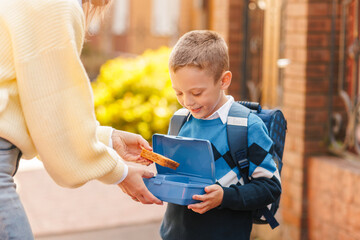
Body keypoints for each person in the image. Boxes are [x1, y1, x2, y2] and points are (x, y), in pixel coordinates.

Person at [0, 0, 162, 239]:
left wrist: (109, 139)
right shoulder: (57, 6)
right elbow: (54, 117)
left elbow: (41, 106)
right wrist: (120, 173)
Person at [160, 30, 282, 240]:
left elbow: (270, 187)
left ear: (224, 81)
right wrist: (156, 163)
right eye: (178, 92)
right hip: (174, 233)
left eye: (197, 93)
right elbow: (177, 170)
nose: (188, 102)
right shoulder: (180, 120)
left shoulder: (247, 126)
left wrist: (225, 196)